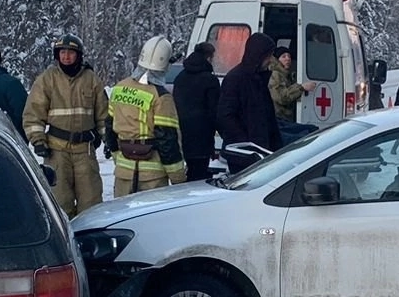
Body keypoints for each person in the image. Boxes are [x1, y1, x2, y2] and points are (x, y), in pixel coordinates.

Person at [24, 34, 109, 216]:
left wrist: (108, 139)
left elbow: (103, 115)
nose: (66, 57)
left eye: (70, 53)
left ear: (79, 55)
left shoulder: (91, 79)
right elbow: (33, 113)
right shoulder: (47, 79)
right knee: (60, 203)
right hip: (56, 152)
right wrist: (38, 140)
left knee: (91, 203)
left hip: (84, 151)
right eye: (62, 52)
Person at [105, 36, 186, 196]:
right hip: (152, 178)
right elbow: (167, 140)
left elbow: (109, 129)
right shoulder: (161, 97)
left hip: (123, 174)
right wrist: (178, 179)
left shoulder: (119, 88)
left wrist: (118, 159)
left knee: (122, 219)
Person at [216, 32, 281, 173]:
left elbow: (267, 117)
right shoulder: (235, 79)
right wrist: (246, 144)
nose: (270, 60)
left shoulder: (259, 80)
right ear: (259, 55)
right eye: (268, 56)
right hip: (243, 155)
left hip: (261, 153)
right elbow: (225, 117)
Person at [173, 40, 220, 181]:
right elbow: (214, 112)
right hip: (201, 137)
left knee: (188, 173)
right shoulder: (210, 80)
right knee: (198, 175)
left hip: (181, 133)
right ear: (209, 57)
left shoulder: (180, 77)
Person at [269, 47, 306, 122]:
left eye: (289, 56)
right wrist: (301, 88)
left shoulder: (287, 75)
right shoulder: (275, 74)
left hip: (285, 118)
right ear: (277, 59)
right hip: (279, 119)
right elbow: (281, 97)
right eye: (284, 56)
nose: (288, 59)